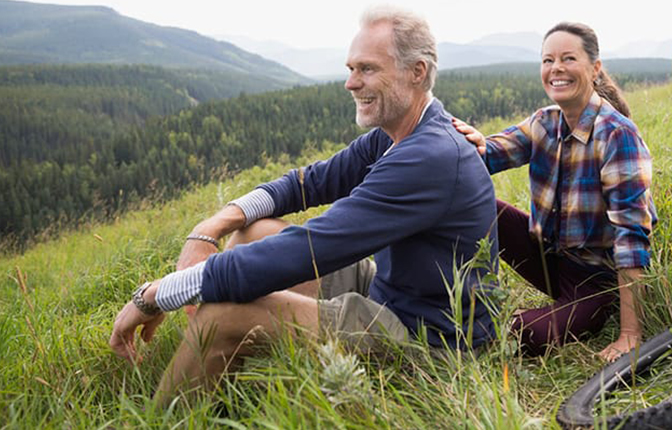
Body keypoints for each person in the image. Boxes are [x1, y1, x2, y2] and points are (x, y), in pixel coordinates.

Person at [109, 6, 499, 405]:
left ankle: (165, 413)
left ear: (416, 72)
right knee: (253, 231)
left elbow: (310, 247)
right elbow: (307, 183)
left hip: (430, 336)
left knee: (221, 316)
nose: (350, 83)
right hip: (394, 289)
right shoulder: (399, 132)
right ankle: (217, 377)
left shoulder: (428, 157)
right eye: (351, 68)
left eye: (367, 69)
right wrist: (213, 225)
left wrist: (158, 294)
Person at [453, 22, 656, 361]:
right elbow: (490, 153)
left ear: (595, 69)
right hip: (550, 259)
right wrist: (467, 143)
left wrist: (630, 334)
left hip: (597, 281)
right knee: (476, 204)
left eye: (568, 59)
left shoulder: (617, 135)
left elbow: (631, 238)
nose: (556, 69)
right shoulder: (544, 122)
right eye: (548, 61)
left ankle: (574, 315)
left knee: (521, 335)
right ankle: (447, 296)